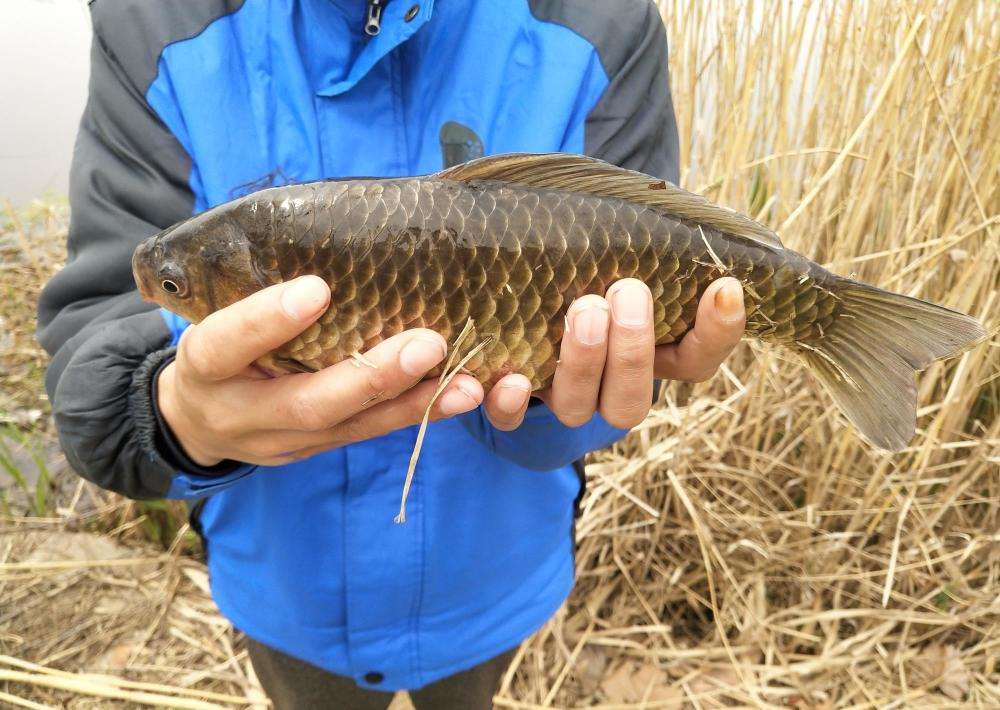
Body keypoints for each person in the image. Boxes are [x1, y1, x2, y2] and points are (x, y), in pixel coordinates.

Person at [38, 1, 745, 707]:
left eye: (174, 287)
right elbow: (98, 357)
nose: (166, 292)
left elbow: (619, 348)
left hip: (493, 576)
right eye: (174, 287)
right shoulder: (153, 21)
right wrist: (175, 414)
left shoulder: (604, 22)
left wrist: (559, 398)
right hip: (289, 593)